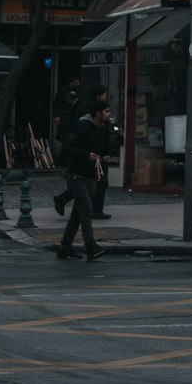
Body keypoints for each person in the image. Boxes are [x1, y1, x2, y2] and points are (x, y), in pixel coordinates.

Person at [56, 99, 112, 262]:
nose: (109, 115)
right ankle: (91, 246)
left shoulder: (104, 128)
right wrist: (86, 155)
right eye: (106, 111)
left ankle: (65, 247)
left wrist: (107, 154)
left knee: (77, 214)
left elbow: (106, 145)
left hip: (92, 175)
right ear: (97, 113)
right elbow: (68, 147)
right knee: (87, 209)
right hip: (77, 175)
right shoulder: (83, 127)